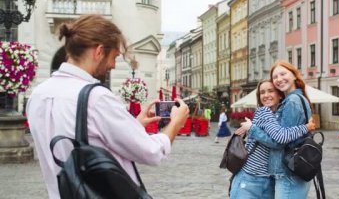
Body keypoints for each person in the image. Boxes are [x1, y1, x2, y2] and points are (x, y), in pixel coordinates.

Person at [26, 15, 189, 199]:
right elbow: (152, 152)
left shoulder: (38, 95)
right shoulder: (96, 98)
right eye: (114, 57)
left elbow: (85, 135)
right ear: (99, 51)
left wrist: (133, 125)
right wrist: (175, 122)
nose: (112, 65)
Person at [229, 80, 315, 199]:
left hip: (269, 180)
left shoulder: (279, 115)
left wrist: (251, 127)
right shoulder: (264, 111)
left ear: (280, 94)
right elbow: (280, 138)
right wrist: (306, 127)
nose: (266, 95)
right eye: (262, 92)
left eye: (270, 91)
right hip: (250, 178)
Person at [249, 60, 314, 199]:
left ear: (295, 75)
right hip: (293, 170)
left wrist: (253, 129)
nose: (279, 79)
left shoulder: (292, 101)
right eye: (275, 77)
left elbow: (280, 140)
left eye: (283, 74)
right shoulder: (296, 98)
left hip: (287, 172)